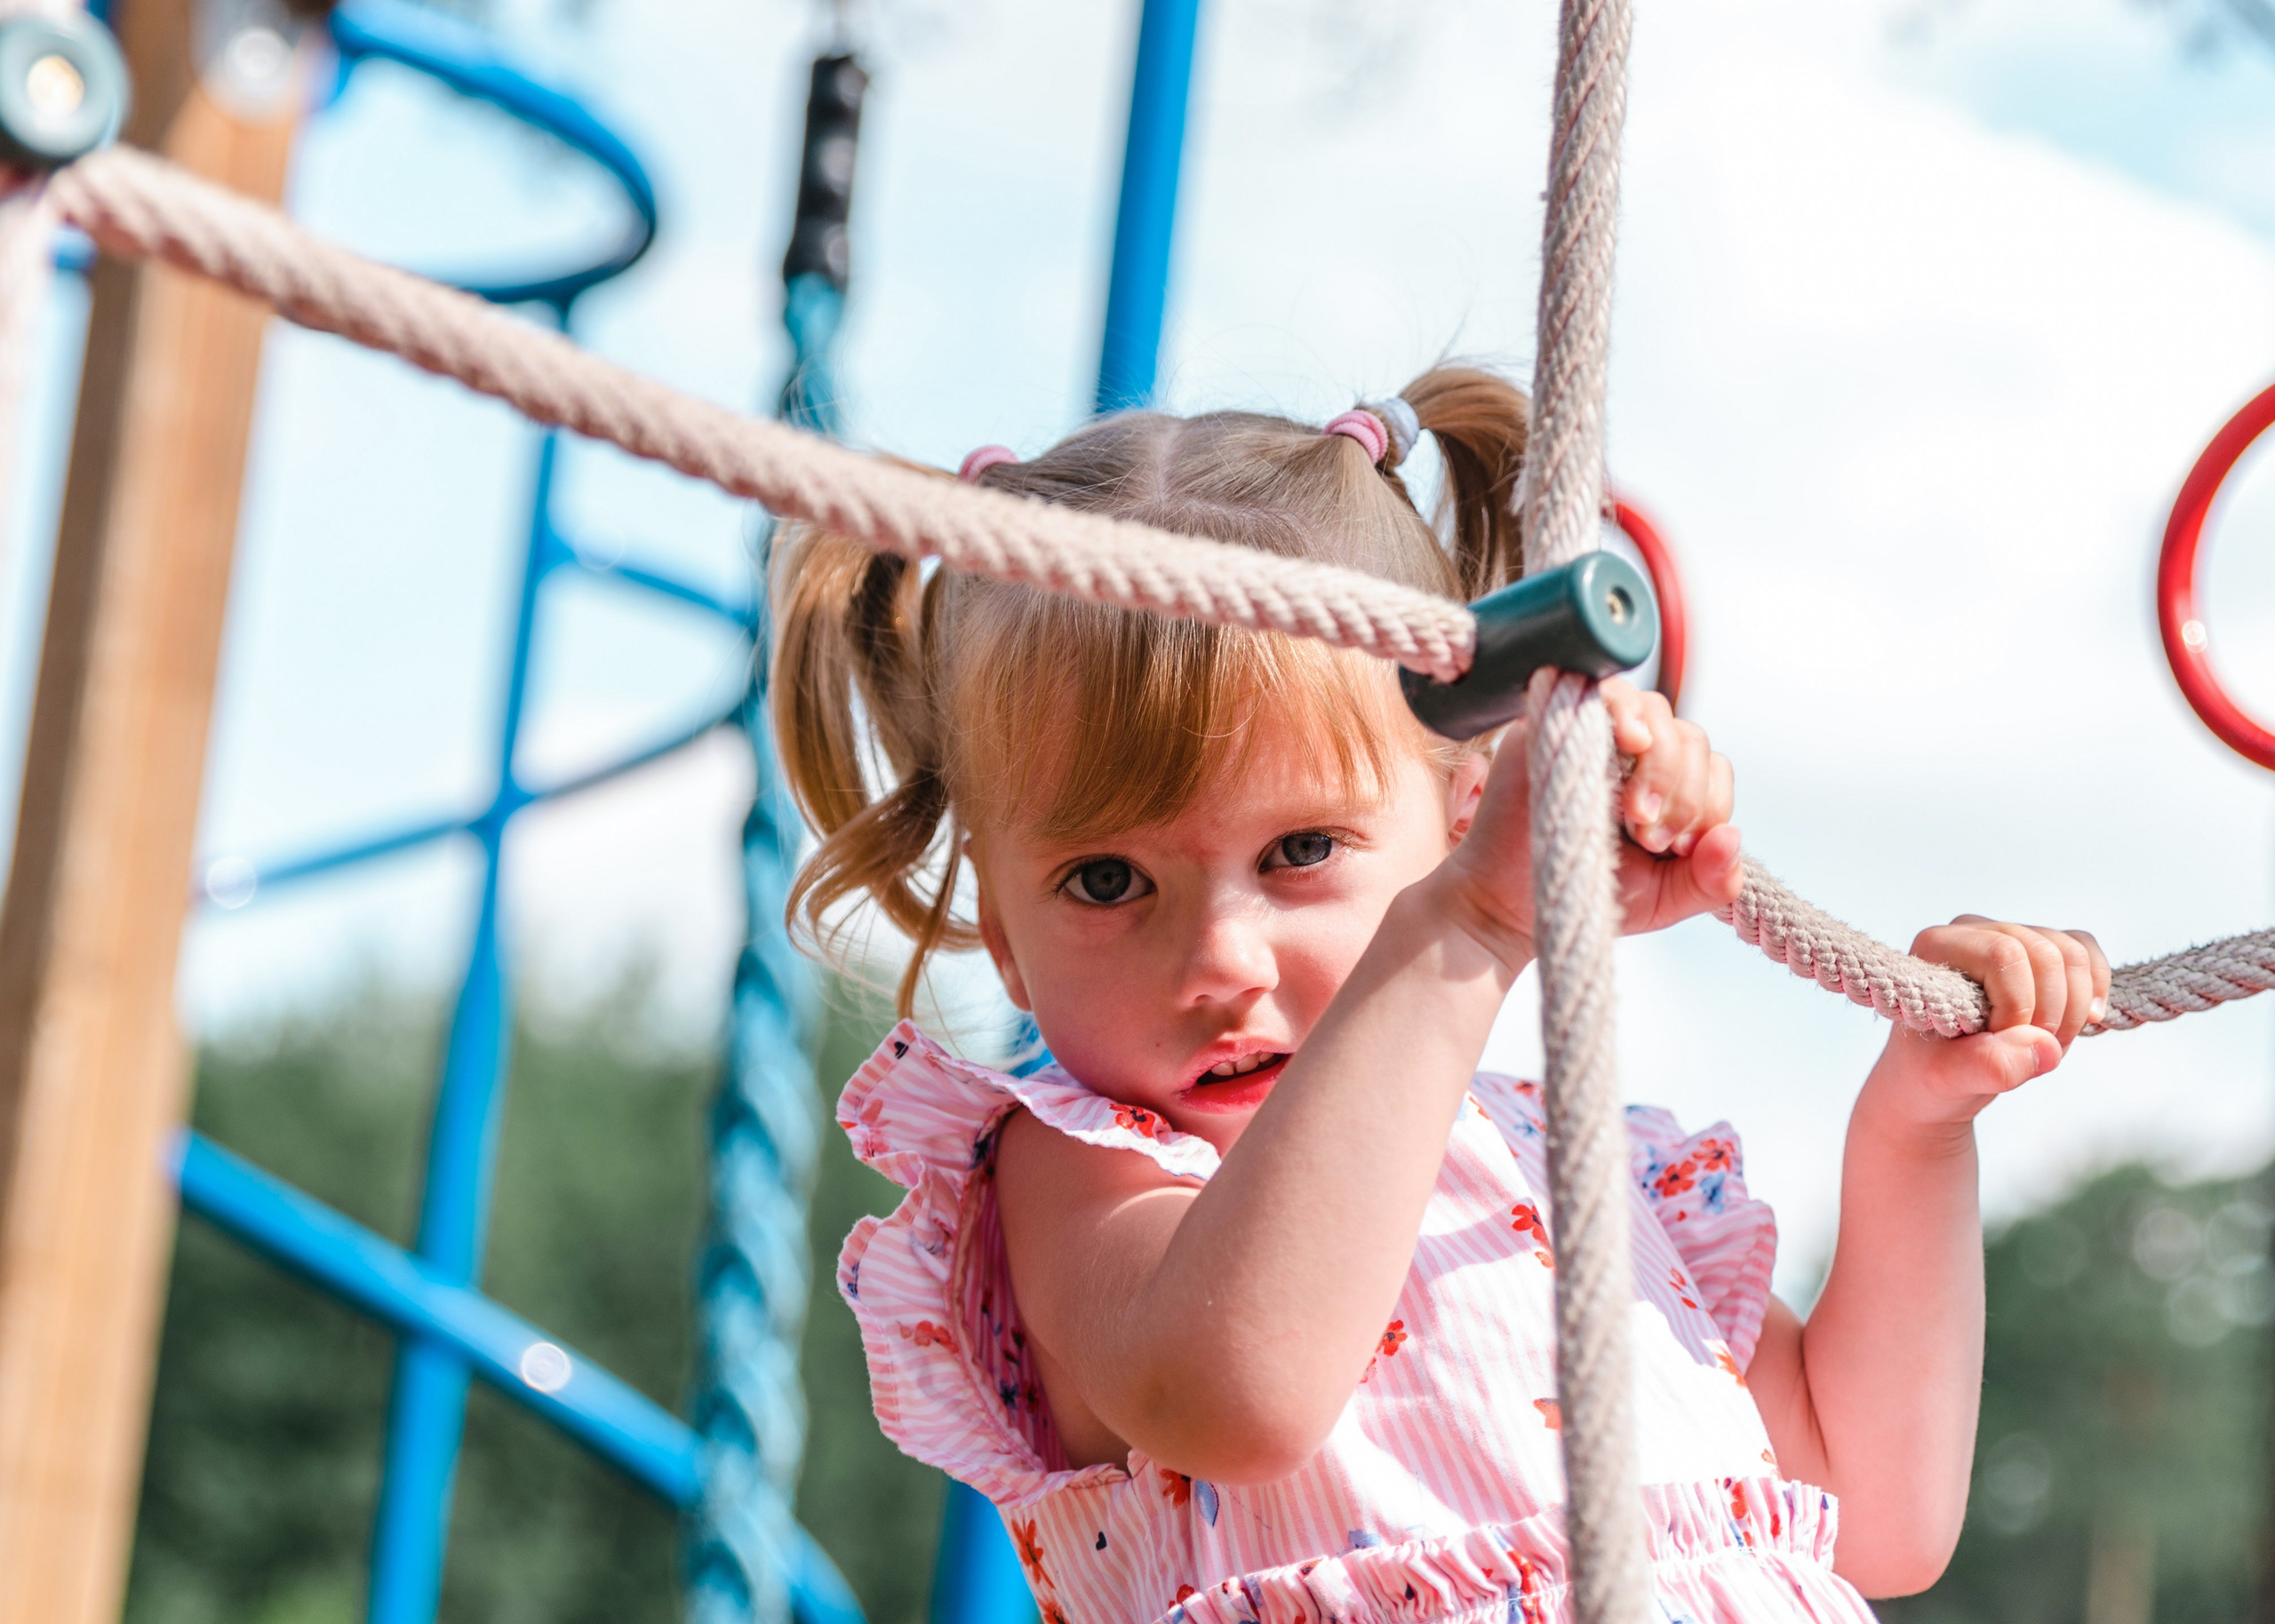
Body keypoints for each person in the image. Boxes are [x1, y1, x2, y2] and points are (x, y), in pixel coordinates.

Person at [770, 365, 2111, 1624]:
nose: (1220, 960)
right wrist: (1464, 923)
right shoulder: (1081, 1169)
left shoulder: (1584, 1170)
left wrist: (1918, 1134)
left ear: (1466, 807)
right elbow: (1238, 1391)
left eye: (1298, 852)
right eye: (1108, 882)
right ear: (1002, 937)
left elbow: (1874, 1514)